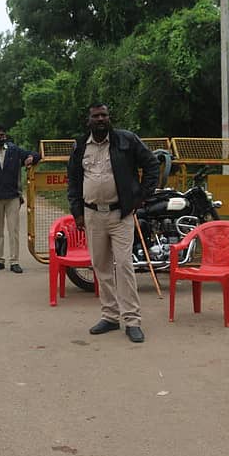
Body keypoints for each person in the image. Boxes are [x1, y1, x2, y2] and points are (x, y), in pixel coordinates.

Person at [66, 103, 159, 343]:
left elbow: (151, 164)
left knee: (124, 265)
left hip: (121, 215)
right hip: (92, 216)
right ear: (88, 120)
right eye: (95, 116)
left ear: (109, 118)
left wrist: (141, 197)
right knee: (101, 267)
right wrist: (77, 212)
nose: (100, 119)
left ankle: (132, 320)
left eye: (104, 115)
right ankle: (109, 316)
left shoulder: (126, 141)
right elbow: (74, 181)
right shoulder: (79, 146)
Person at [0, 126, 40, 273]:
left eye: (2, 135)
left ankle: (14, 261)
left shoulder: (14, 151)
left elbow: (35, 155)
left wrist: (32, 158)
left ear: (5, 136)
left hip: (13, 197)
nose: (0, 137)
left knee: (14, 230)